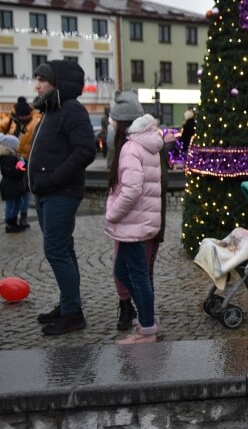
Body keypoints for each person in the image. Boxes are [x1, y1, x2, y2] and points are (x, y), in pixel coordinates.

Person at [28, 60, 97, 335]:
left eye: (42, 80)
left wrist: (54, 178)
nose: (37, 84)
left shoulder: (72, 110)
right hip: (46, 193)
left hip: (60, 193)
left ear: (58, 83)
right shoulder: (50, 111)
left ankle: (72, 315)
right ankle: (69, 304)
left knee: (56, 251)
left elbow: (85, 151)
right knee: (63, 250)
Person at [105, 91, 164, 344]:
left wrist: (112, 213)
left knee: (137, 275)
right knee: (124, 270)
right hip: (141, 221)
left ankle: (147, 328)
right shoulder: (145, 143)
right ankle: (147, 319)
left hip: (133, 223)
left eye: (112, 122)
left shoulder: (130, 148)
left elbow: (131, 189)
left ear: (121, 123)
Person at [1, 96, 39, 228]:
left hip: (27, 159)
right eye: (21, 116)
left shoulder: (35, 122)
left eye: (25, 115)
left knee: (25, 191)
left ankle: (23, 217)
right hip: (13, 158)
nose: (23, 118)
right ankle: (12, 219)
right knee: (16, 192)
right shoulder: (10, 122)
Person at [0, 134, 26, 233]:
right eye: (16, 144)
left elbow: (20, 169)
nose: (18, 146)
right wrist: (21, 165)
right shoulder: (7, 158)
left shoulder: (14, 156)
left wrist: (21, 165)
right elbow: (11, 172)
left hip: (15, 185)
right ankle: (9, 224)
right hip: (9, 185)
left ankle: (14, 222)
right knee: (11, 205)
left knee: (18, 203)